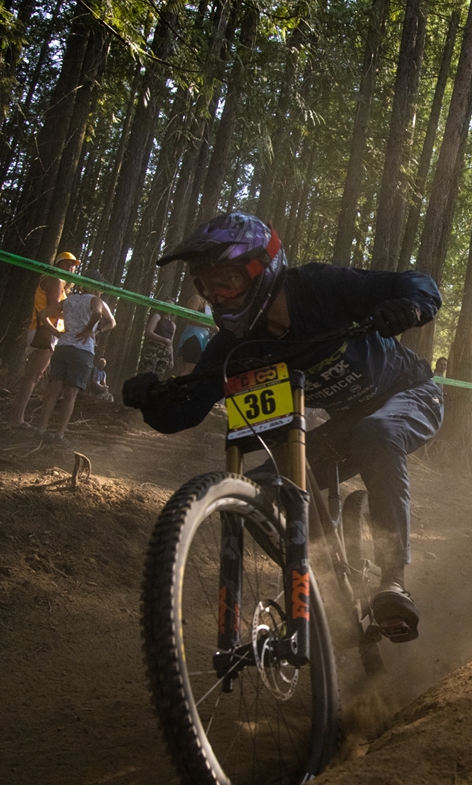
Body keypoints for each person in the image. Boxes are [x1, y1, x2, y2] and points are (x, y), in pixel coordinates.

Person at [122, 212, 442, 642]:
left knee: (377, 433)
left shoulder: (319, 288)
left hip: (411, 393)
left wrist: (412, 306)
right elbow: (187, 412)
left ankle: (393, 581)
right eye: (206, 286)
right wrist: (150, 401)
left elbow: (416, 282)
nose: (217, 295)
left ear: (261, 268)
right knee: (264, 490)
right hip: (348, 423)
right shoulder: (237, 346)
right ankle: (327, 584)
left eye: (228, 281)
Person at [36, 271, 115, 446]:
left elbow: (43, 314)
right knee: (71, 393)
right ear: (96, 286)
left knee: (54, 389)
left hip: (63, 346)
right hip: (82, 349)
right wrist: (91, 330)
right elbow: (102, 317)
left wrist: (56, 332)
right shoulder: (96, 301)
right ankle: (60, 435)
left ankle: (41, 429)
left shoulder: (69, 300)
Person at [9, 251, 79, 428]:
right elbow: (52, 310)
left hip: (48, 332)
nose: (71, 267)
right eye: (67, 263)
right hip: (44, 332)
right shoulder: (55, 279)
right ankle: (17, 419)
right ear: (58, 264)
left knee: (35, 375)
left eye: (73, 265)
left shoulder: (60, 284)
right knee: (33, 375)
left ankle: (19, 417)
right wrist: (76, 315)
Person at [175, 294, 211, 375]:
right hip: (193, 337)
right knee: (188, 369)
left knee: (195, 370)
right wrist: (209, 325)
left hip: (203, 339)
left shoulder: (208, 305)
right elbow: (190, 318)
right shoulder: (197, 298)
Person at [138, 310, 176, 379]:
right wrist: (163, 339)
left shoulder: (173, 325)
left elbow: (171, 343)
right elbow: (149, 332)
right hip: (153, 349)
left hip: (165, 353)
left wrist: (171, 359)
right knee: (147, 372)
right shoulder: (157, 317)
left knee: (158, 376)